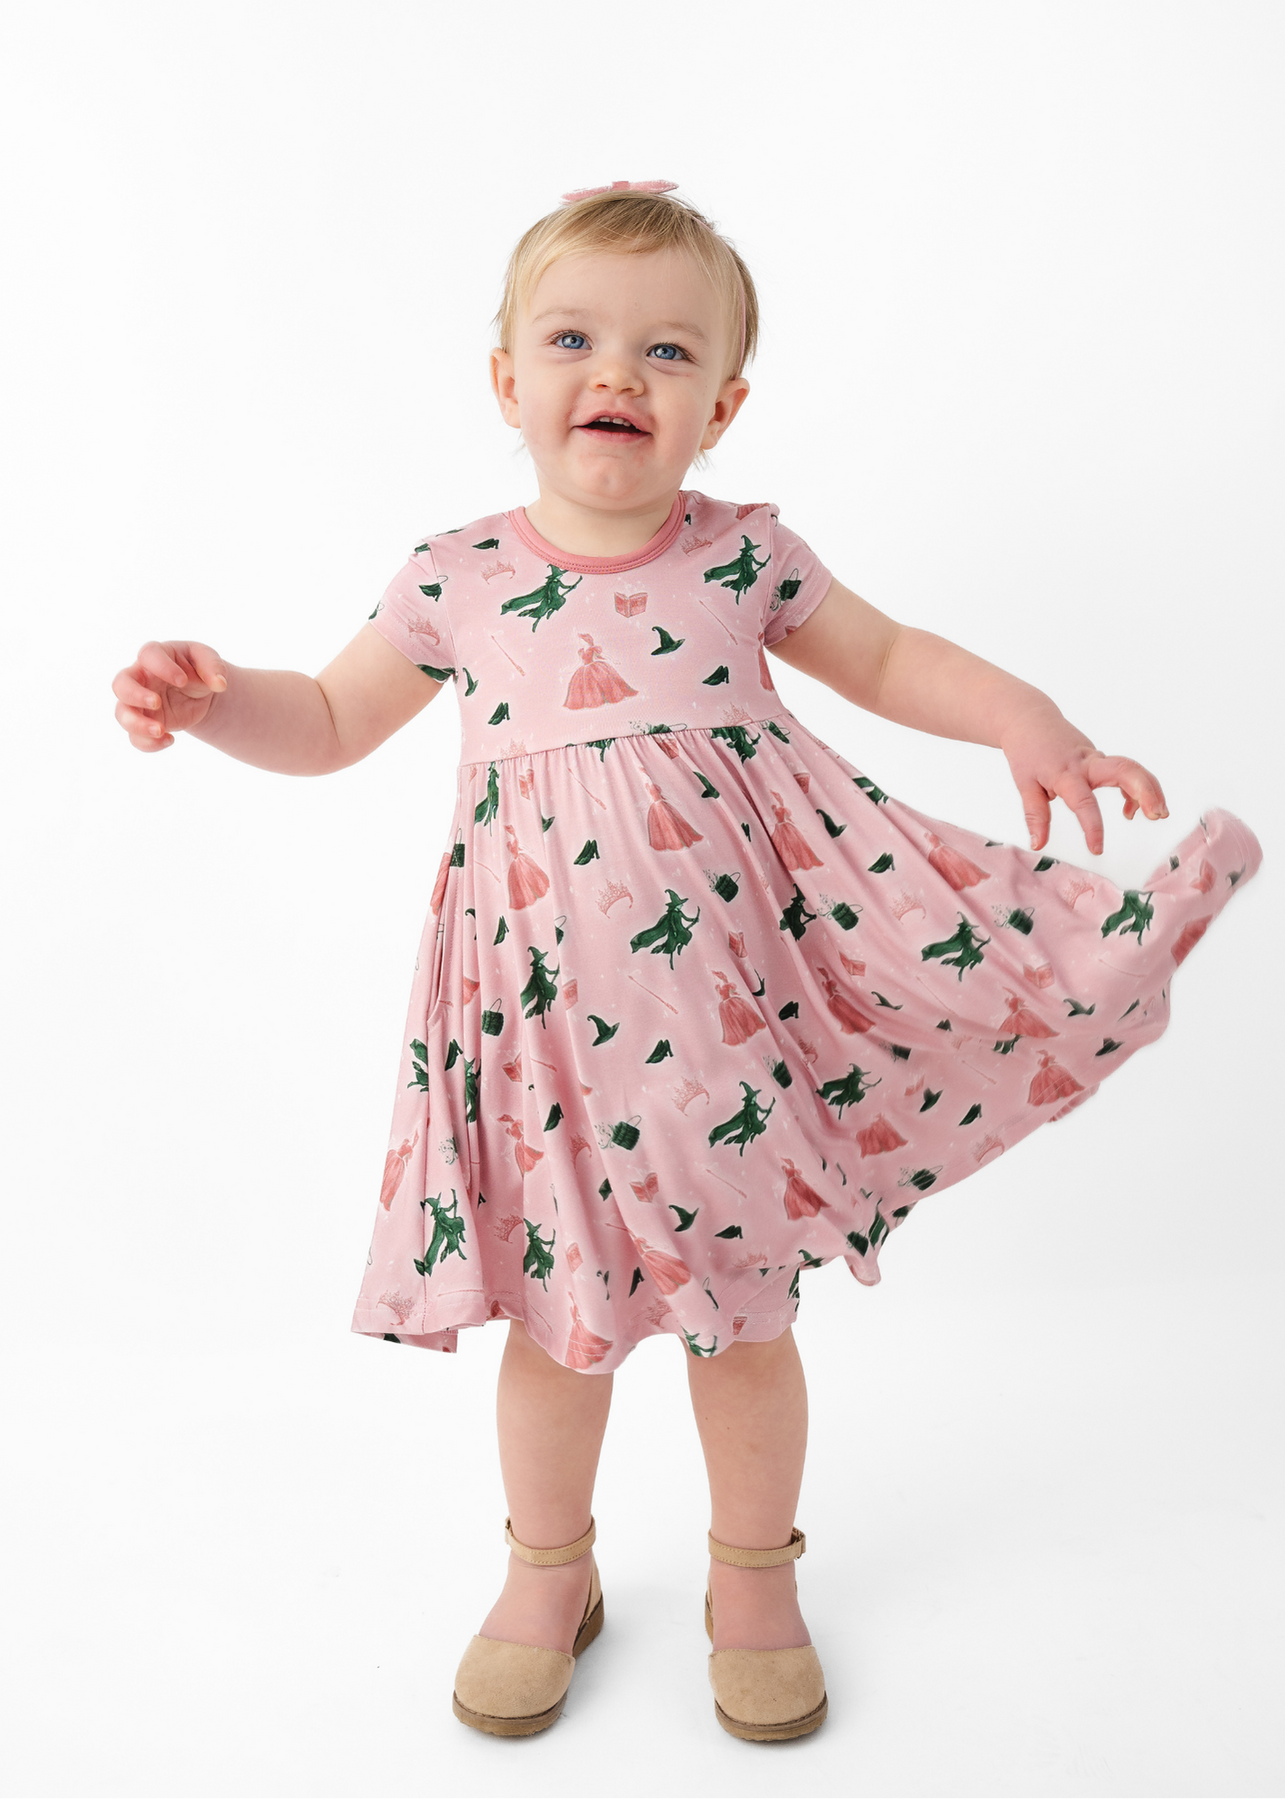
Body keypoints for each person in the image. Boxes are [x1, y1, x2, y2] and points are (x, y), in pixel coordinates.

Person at [111, 181, 1262, 1745]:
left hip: (726, 1038)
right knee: (553, 1340)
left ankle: (752, 1577)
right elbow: (324, 722)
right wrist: (217, 698)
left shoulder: (740, 559)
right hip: (539, 1054)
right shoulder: (455, 577)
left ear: (720, 407)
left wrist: (1024, 718)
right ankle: (546, 1575)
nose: (618, 373)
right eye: (573, 340)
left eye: (667, 351)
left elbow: (888, 656)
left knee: (748, 1329)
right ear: (506, 381)